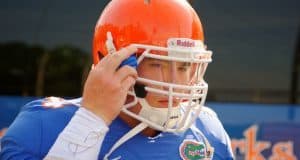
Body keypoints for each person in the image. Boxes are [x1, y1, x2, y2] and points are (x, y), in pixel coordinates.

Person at [0, 0, 234, 159]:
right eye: (157, 64)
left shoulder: (207, 129)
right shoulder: (42, 126)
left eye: (184, 66)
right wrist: (89, 122)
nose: (177, 82)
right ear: (112, 59)